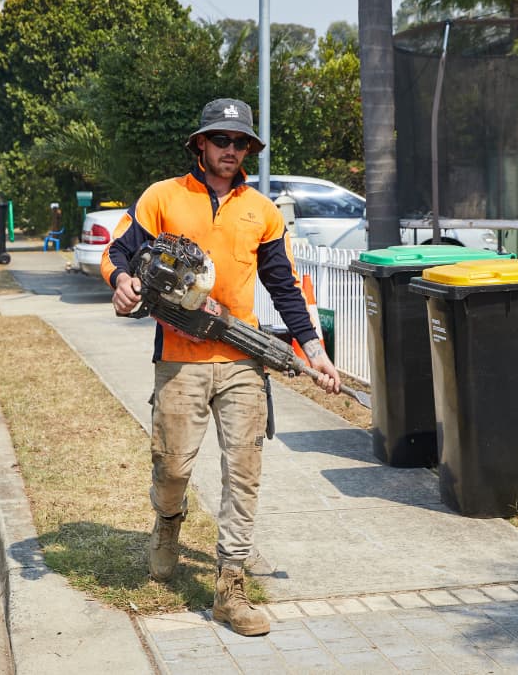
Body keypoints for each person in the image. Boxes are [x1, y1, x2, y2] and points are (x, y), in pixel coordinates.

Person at [100, 98, 341, 637]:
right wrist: (120, 282)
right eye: (221, 140)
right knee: (173, 468)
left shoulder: (263, 210)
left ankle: (230, 586)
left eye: (240, 143)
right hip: (180, 362)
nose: (231, 150)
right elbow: (118, 252)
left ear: (248, 150)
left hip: (242, 360)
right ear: (200, 145)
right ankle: (167, 524)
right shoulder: (162, 197)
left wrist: (314, 350)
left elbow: (284, 285)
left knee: (244, 474)